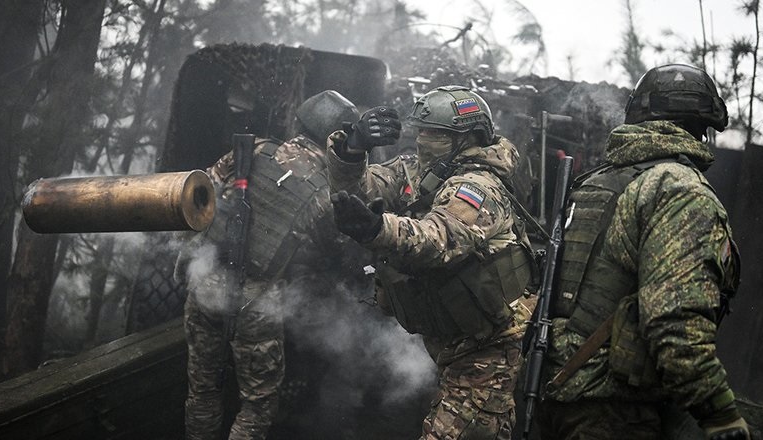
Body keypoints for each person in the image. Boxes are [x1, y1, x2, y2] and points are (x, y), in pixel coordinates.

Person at [535, 63, 748, 440]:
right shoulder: (679, 189)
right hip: (615, 409)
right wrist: (719, 414)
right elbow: (675, 320)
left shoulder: (597, 181)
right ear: (703, 126)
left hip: (555, 393)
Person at [327, 85, 536, 440]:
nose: (424, 140)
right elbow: (363, 192)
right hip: (450, 339)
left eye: (437, 134)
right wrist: (352, 149)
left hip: (489, 345)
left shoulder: (479, 185)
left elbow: (441, 238)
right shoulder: (418, 170)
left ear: (469, 137)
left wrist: (380, 228)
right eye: (421, 131)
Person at [175, 90, 359, 440]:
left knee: (202, 391)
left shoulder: (254, 150)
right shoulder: (325, 194)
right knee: (257, 406)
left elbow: (206, 192)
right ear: (338, 141)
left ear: (300, 122)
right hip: (256, 305)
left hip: (205, 284)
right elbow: (332, 256)